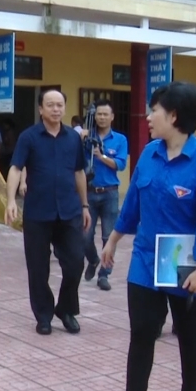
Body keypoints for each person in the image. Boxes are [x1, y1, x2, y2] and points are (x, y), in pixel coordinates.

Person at [100, 82, 196, 391]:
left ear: (173, 116)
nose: (147, 116)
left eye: (153, 110)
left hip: (185, 260)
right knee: (141, 334)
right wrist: (113, 239)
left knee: (187, 334)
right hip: (145, 259)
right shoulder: (149, 154)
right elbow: (133, 202)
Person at [4, 90, 91, 335]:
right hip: (37, 213)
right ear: (41, 109)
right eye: (50, 105)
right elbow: (15, 167)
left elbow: (79, 172)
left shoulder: (73, 139)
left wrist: (85, 205)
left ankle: (65, 308)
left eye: (60, 105)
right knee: (38, 268)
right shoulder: (29, 137)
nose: (55, 109)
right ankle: (43, 315)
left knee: (75, 262)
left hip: (69, 211)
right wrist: (11, 200)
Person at [82, 99, 129, 291]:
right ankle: (93, 260)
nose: (101, 117)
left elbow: (120, 164)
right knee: (84, 235)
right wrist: (80, 138)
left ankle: (104, 274)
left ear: (112, 117)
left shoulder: (120, 140)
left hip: (110, 193)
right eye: (98, 114)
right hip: (89, 192)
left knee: (108, 236)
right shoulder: (87, 136)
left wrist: (102, 157)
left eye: (105, 114)